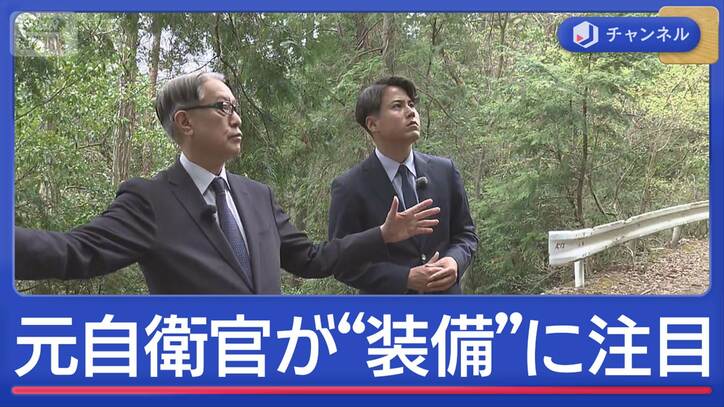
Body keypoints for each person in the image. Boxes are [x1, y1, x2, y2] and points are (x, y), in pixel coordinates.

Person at [15, 72, 440, 294]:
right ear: (185, 122)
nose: (236, 118)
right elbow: (76, 252)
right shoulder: (149, 201)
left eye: (236, 107)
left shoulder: (258, 196)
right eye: (223, 107)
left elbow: (312, 259)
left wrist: (382, 236)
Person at [328, 76, 478, 294]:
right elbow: (342, 262)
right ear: (372, 124)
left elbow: (466, 234)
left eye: (411, 104)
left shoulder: (445, 171)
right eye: (397, 106)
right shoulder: (349, 187)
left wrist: (454, 261)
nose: (411, 112)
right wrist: (405, 278)